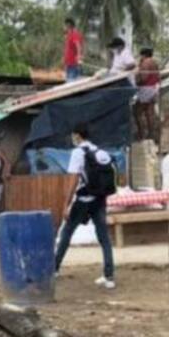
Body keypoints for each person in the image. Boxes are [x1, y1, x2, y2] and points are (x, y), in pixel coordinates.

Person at [54, 123, 116, 287]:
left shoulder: (77, 153)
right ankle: (108, 276)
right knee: (104, 237)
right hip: (99, 199)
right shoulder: (100, 152)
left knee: (67, 233)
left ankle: (54, 269)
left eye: (73, 136)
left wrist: (66, 204)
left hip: (83, 200)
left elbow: (73, 180)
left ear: (77, 136)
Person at [134, 47, 160, 141]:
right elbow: (158, 75)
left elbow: (144, 78)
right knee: (150, 113)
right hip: (154, 87)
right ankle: (151, 135)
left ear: (143, 54)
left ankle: (141, 134)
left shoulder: (145, 62)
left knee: (137, 112)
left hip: (146, 88)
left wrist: (136, 82)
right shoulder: (154, 62)